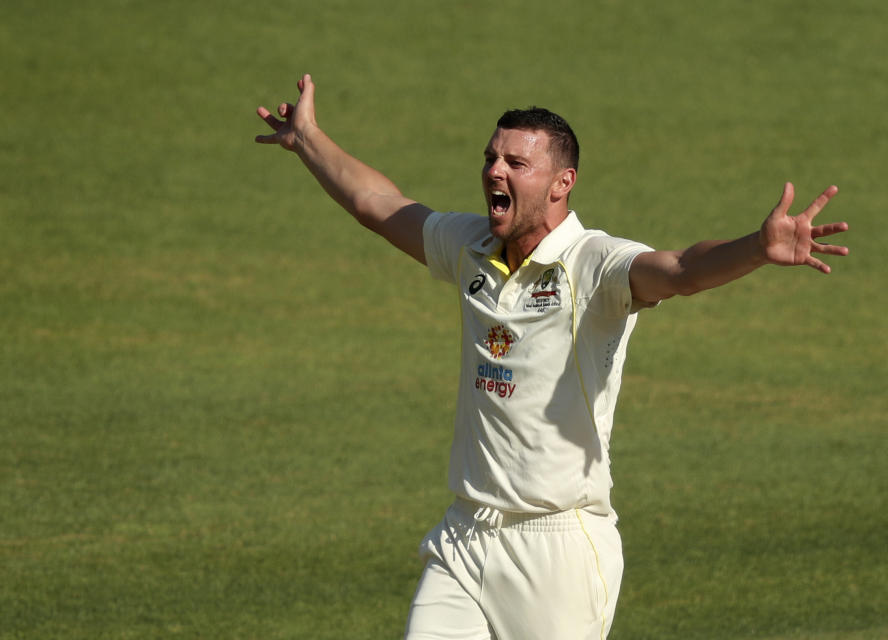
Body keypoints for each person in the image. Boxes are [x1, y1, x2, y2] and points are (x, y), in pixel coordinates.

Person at [256, 73, 849, 640]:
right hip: (466, 533)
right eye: (491, 158)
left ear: (561, 182)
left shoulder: (594, 263)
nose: (495, 171)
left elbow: (683, 270)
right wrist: (307, 138)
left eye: (516, 163)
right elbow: (377, 203)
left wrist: (756, 248)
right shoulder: (469, 246)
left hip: (557, 550)